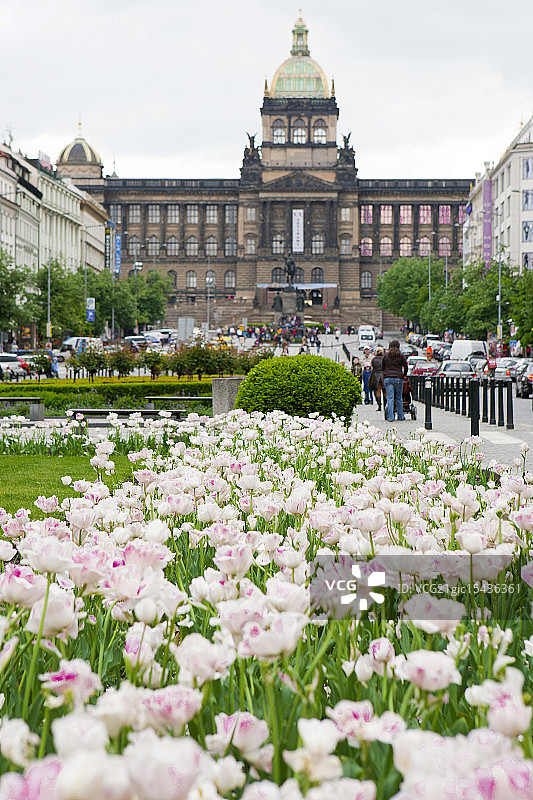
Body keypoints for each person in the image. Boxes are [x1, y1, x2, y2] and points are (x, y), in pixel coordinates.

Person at [382, 339, 408, 421]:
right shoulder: (401, 355)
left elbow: (383, 366)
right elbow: (405, 367)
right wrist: (404, 374)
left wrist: (385, 373)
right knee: (399, 398)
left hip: (388, 378)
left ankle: (390, 417)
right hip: (398, 378)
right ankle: (401, 416)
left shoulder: (386, 355)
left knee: (390, 398)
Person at [370, 346, 385, 411]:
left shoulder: (374, 359)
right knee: (385, 391)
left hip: (376, 376)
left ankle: (379, 406)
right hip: (384, 376)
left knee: (377, 391)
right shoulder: (384, 358)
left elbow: (372, 366)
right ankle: (385, 406)